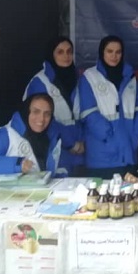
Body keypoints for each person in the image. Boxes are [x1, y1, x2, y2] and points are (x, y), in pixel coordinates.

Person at [78, 35, 138, 179]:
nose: (114, 56)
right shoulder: (90, 77)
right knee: (101, 193)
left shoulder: (130, 77)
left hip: (128, 151)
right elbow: (89, 113)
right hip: (102, 153)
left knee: (127, 192)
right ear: (102, 52)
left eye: (118, 52)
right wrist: (108, 137)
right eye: (110, 51)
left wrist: (135, 133)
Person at [23, 37, 84, 174]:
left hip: (80, 152)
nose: (66, 56)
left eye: (69, 51)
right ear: (51, 54)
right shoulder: (40, 82)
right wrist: (71, 143)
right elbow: (42, 121)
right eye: (60, 52)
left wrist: (82, 142)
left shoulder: (77, 79)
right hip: (54, 150)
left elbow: (82, 116)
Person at [0, 93, 64, 176]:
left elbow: (60, 168)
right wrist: (16, 164)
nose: (41, 119)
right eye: (36, 112)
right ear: (26, 112)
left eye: (47, 114)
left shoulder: (52, 137)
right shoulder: (7, 135)